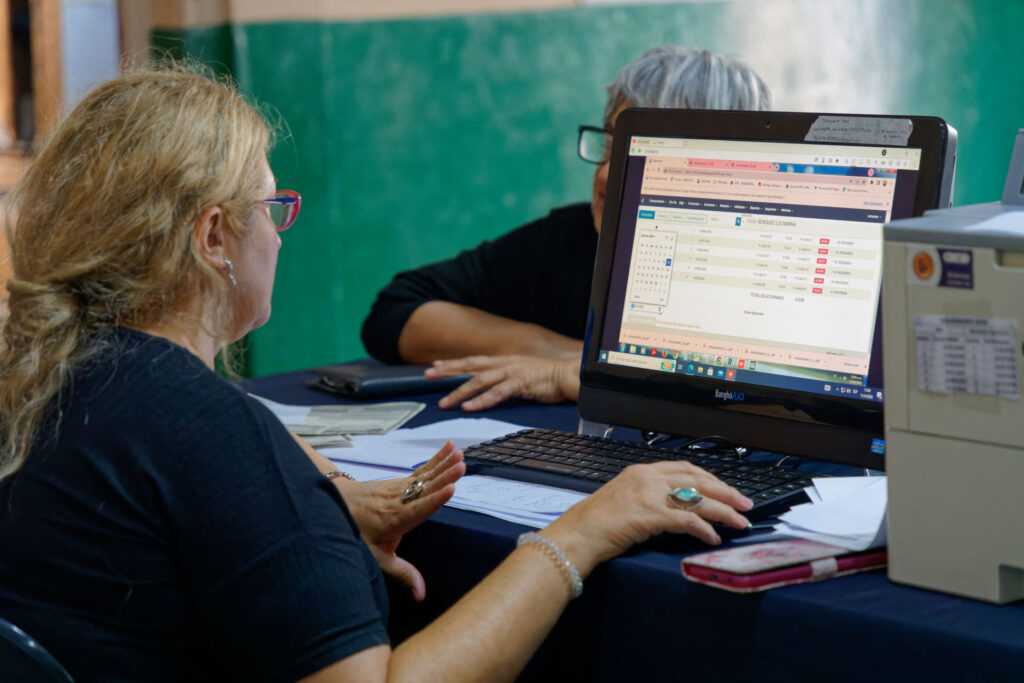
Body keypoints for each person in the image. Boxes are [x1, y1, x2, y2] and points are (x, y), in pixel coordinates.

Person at [0, 65, 752, 683]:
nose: (279, 236)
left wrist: (310, 514)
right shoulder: (209, 433)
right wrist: (584, 531)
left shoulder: (48, 378)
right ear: (214, 238)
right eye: (272, 207)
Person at [362, 46, 772, 411]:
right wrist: (557, 350)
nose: (605, 174)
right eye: (609, 146)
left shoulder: (764, 269)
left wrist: (592, 371)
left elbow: (758, 396)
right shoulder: (568, 239)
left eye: (642, 153)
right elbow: (395, 313)